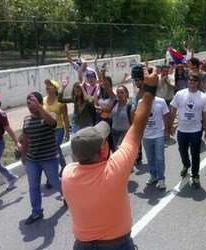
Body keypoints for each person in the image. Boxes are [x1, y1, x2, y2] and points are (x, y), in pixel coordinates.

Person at [62, 62, 158, 250]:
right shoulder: (115, 169)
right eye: (105, 142)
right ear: (103, 150)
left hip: (81, 246)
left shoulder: (68, 173)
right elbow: (137, 127)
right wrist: (151, 89)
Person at [20, 91, 63, 225]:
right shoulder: (27, 119)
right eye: (28, 103)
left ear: (40, 103)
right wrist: (23, 156)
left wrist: (39, 108)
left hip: (49, 157)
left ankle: (68, 194)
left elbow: (52, 121)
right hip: (32, 159)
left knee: (54, 180)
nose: (29, 105)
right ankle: (37, 212)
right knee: (33, 186)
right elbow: (26, 139)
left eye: (32, 102)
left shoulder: (49, 115)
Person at [169, 74, 206, 188]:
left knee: (195, 154)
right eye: (190, 80)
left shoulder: (203, 97)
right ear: (188, 81)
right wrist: (170, 126)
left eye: (195, 80)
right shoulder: (179, 94)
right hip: (182, 130)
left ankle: (195, 175)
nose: (192, 82)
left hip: (196, 130)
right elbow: (173, 109)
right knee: (182, 150)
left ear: (198, 83)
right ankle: (186, 165)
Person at [43, 79, 69, 184]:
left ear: (55, 89)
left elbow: (65, 117)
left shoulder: (61, 102)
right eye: (46, 85)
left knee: (53, 149)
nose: (47, 86)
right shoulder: (43, 100)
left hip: (58, 129)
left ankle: (51, 177)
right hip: (47, 130)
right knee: (56, 151)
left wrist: (67, 132)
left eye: (50, 85)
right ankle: (63, 167)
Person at [141, 94, 169, 190]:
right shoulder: (141, 102)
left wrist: (167, 131)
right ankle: (153, 175)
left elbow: (166, 116)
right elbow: (138, 118)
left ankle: (161, 179)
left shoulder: (161, 101)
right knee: (150, 158)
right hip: (146, 135)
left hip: (158, 134)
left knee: (160, 158)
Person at [110, 85, 135, 150]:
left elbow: (133, 124)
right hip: (114, 132)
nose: (119, 94)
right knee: (115, 151)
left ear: (126, 94)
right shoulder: (115, 103)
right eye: (118, 93)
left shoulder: (130, 107)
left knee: (119, 150)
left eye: (122, 92)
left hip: (124, 132)